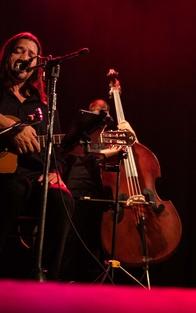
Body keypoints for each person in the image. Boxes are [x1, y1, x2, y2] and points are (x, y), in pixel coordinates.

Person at [0, 32, 75, 280]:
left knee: (63, 199)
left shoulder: (43, 106)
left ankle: (44, 278)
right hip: (6, 178)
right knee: (15, 188)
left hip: (36, 177)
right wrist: (13, 129)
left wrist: (57, 171)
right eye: (19, 50)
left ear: (38, 65)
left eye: (32, 55)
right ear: (7, 55)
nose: (25, 57)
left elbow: (59, 150)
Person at [59, 98, 138, 282]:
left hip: (101, 190)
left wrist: (131, 134)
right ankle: (62, 278)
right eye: (94, 110)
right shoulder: (80, 133)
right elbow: (88, 150)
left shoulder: (109, 133)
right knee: (71, 234)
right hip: (77, 186)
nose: (97, 113)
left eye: (101, 110)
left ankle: (92, 281)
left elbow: (130, 146)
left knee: (94, 237)